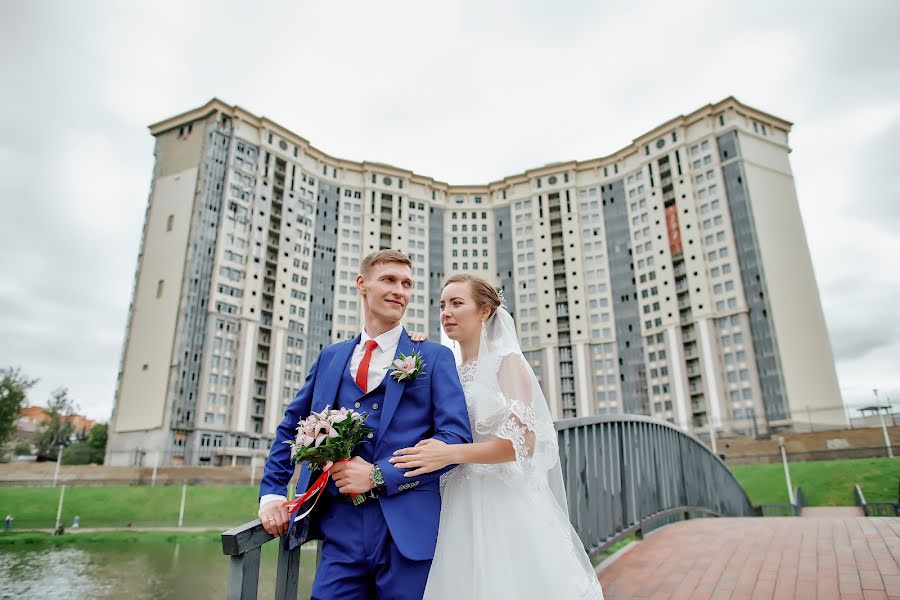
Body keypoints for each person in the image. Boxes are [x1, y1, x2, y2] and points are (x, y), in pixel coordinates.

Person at [258, 250, 472, 599]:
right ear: (362, 284)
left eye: (407, 284)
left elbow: (454, 439)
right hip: (339, 529)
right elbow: (291, 428)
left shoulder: (433, 357)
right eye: (388, 280)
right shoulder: (331, 357)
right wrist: (272, 494)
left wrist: (378, 474)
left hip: (408, 529)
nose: (399, 291)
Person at [390, 274, 604, 599]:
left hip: (501, 501)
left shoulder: (508, 363)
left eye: (457, 303)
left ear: (485, 311)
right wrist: (413, 349)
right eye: (442, 305)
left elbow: (522, 443)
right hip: (455, 500)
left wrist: (451, 454)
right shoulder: (447, 370)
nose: (446, 312)